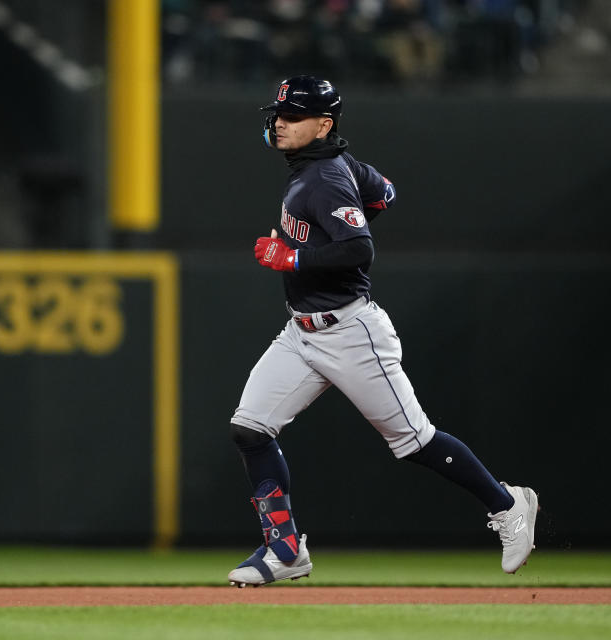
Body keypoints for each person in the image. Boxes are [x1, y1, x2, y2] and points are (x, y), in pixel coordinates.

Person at [226, 75, 538, 587]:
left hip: (350, 331)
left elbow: (359, 249)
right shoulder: (332, 166)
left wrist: (295, 256)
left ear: (323, 124)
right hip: (302, 334)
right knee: (250, 428)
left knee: (414, 441)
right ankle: (283, 551)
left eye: (293, 116)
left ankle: (509, 506)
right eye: (278, 114)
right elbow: (384, 192)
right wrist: (334, 221)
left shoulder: (324, 176)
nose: (279, 123)